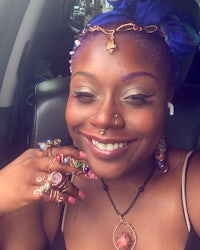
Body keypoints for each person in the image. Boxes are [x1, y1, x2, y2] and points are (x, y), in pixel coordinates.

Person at [0, 0, 200, 249]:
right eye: (84, 94)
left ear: (166, 97)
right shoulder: (43, 193)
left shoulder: (192, 184)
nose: (104, 118)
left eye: (135, 97)